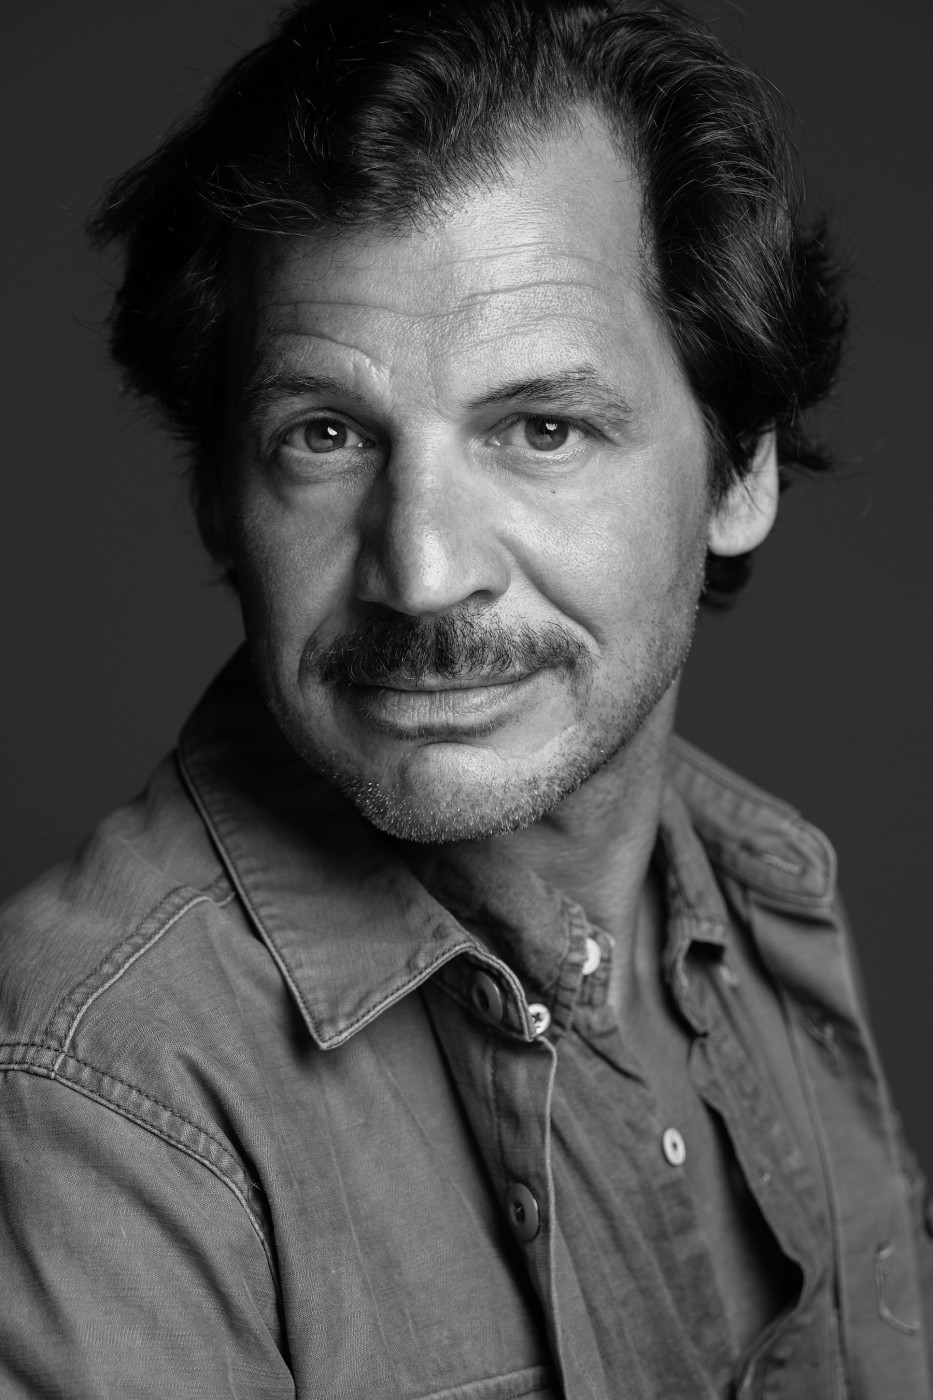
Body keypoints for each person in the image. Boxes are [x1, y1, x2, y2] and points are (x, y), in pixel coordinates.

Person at [0, 0, 929, 1395]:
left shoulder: (761, 889)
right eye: (324, 435)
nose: (423, 573)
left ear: (738, 471)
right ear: (218, 497)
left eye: (540, 429)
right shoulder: (95, 1098)